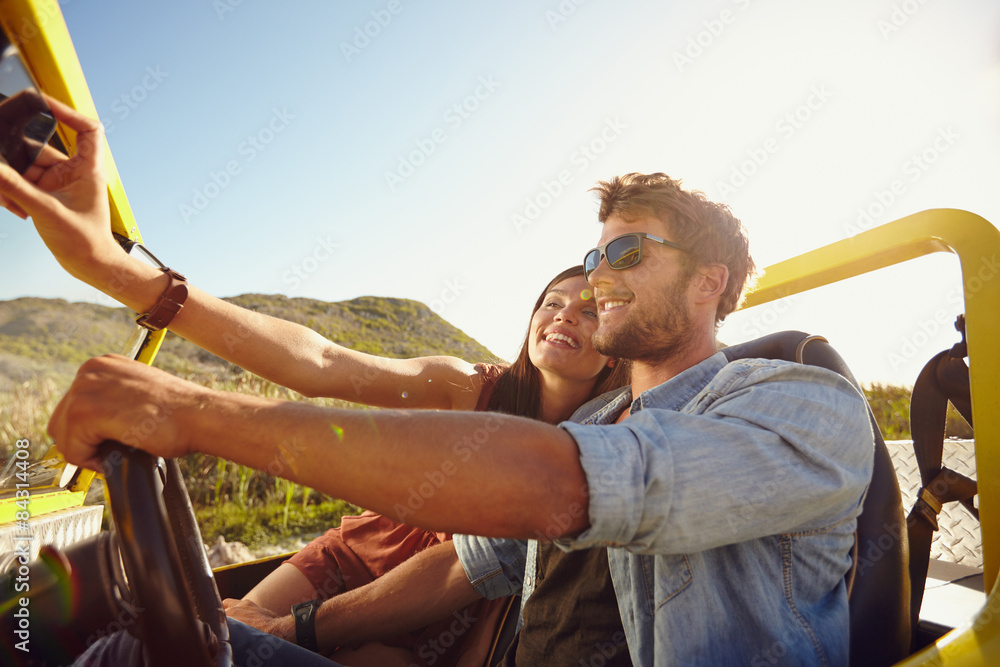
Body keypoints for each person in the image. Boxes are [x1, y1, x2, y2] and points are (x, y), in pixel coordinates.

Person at [0, 99, 874, 666]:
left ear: (710, 282)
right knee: (128, 641)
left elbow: (562, 484)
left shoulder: (793, 400)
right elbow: (462, 558)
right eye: (590, 256)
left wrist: (190, 413)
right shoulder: (587, 411)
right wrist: (116, 269)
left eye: (627, 253)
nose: (596, 279)